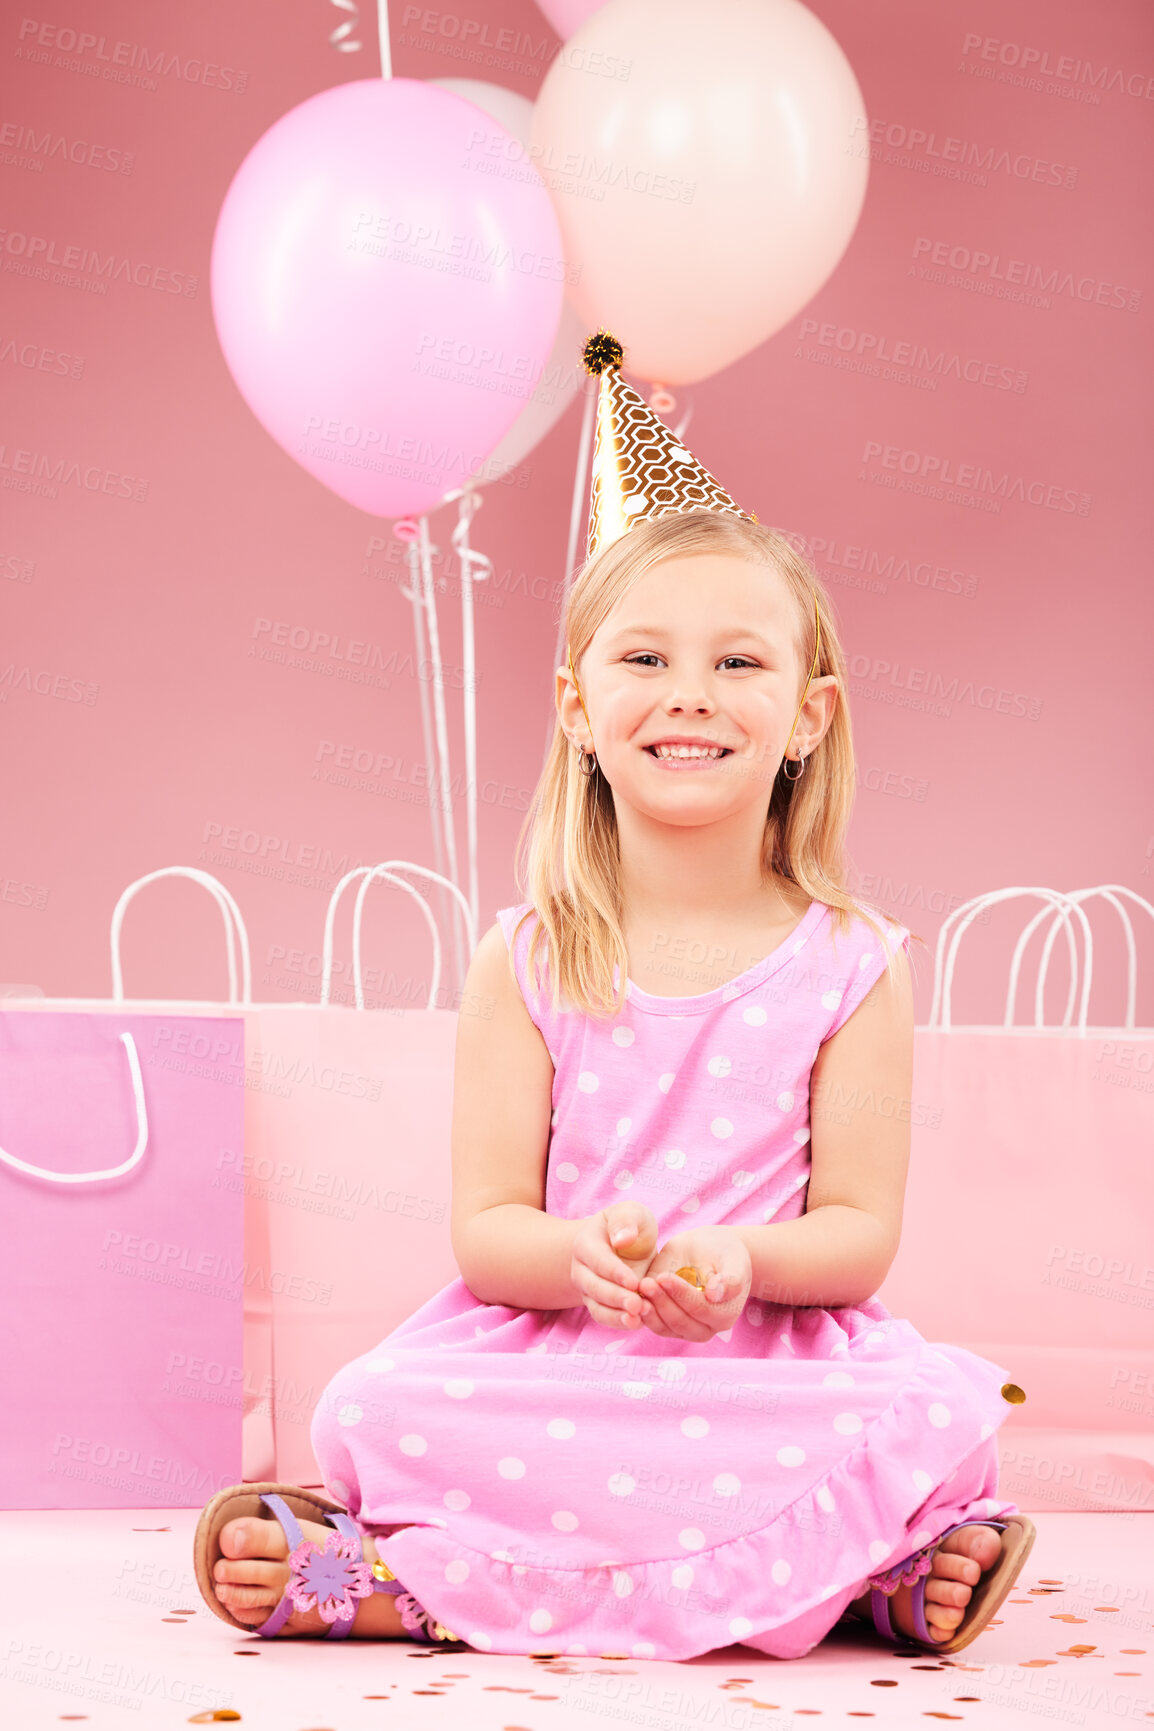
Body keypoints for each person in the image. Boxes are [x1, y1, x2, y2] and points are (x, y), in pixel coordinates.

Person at [195, 336, 1034, 1661]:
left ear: (808, 715)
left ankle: (840, 1566)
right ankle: (795, 1578)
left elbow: (858, 1234)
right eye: (643, 660)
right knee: (374, 1405)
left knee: (926, 1415)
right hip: (562, 1366)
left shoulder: (851, 960)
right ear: (576, 707)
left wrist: (742, 1262)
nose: (687, 695)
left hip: (768, 1372)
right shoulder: (525, 956)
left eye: (737, 664)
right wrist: (581, 1263)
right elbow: (489, 1232)